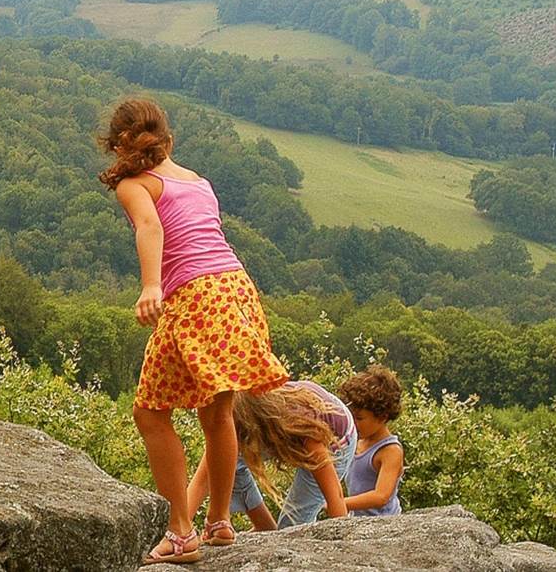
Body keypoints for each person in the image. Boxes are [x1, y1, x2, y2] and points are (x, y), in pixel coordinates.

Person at [102, 97, 290, 564]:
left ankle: (181, 533)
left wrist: (150, 286)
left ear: (120, 143)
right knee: (218, 413)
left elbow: (150, 228)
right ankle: (220, 523)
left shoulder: (134, 184)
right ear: (167, 137)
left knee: (150, 413)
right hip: (235, 288)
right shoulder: (198, 181)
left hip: (195, 296)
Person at [184, 380, 354, 541]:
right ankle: (265, 526)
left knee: (291, 525)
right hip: (270, 424)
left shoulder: (303, 431)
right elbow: (201, 481)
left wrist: (344, 545)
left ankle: (278, 532)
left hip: (336, 440)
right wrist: (181, 529)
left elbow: (334, 495)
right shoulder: (234, 424)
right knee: (224, 462)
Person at [339, 365, 407, 517]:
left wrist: (340, 503)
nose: (353, 422)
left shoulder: (390, 450)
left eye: (360, 418)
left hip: (383, 524)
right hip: (357, 520)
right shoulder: (356, 442)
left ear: (382, 417)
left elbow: (381, 496)